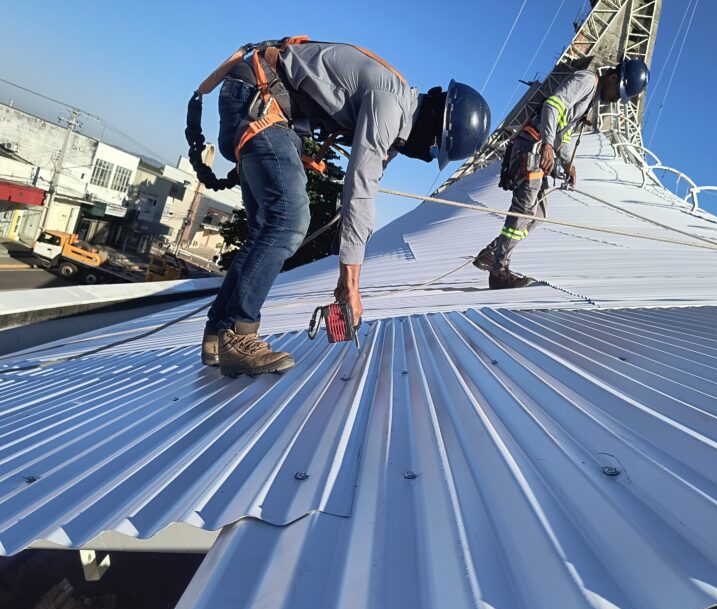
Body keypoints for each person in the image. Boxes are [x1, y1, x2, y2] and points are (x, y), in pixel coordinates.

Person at [200, 38, 491, 376]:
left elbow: (366, 189)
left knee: (268, 230)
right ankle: (238, 333)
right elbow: (360, 188)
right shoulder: (390, 105)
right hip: (258, 97)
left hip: (257, 98)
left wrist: (346, 278)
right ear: (433, 127)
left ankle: (217, 334)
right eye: (433, 148)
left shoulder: (395, 116)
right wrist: (351, 284)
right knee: (287, 222)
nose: (425, 154)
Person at [472, 58, 650, 289]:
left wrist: (566, 163)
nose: (616, 99)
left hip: (538, 148)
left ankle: (492, 253)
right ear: (613, 78)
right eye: (618, 93)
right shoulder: (586, 81)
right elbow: (553, 106)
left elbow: (563, 132)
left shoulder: (589, 100)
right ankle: (498, 270)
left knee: (539, 213)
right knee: (524, 208)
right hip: (532, 147)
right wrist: (547, 144)